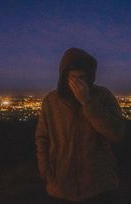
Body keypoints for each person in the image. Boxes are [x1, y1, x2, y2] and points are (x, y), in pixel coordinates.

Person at [35, 48, 126, 203]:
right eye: (72, 78)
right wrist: (46, 171)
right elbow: (42, 138)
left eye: (82, 77)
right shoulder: (51, 101)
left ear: (90, 77)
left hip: (99, 188)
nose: (77, 83)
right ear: (64, 77)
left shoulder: (102, 96)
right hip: (60, 188)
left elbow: (116, 132)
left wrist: (87, 102)